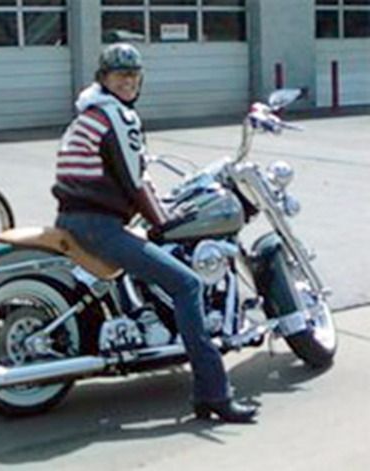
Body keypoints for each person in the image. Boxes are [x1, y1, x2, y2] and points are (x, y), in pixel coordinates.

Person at [52, 43, 258, 423]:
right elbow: (134, 181)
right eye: (120, 75)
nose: (128, 81)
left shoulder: (88, 114)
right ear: (104, 79)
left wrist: (152, 211)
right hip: (99, 226)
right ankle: (214, 394)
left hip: (74, 219)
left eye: (134, 75)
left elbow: (122, 176)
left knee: (157, 265)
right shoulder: (117, 116)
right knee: (188, 285)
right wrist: (164, 222)